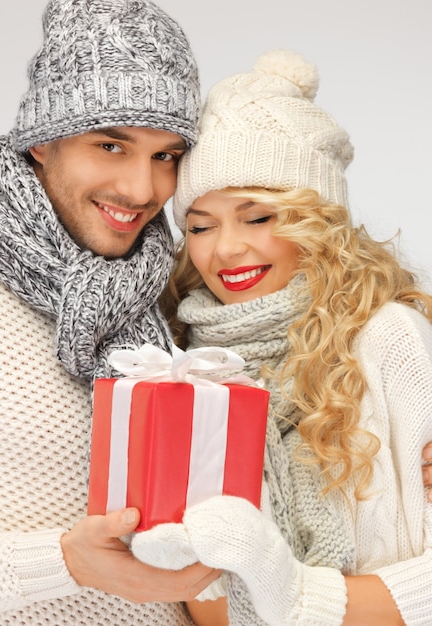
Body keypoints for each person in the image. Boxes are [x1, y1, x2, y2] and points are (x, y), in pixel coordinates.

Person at [131, 49, 432, 625]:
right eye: (199, 225)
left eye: (259, 216)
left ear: (315, 219)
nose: (224, 249)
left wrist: (295, 601)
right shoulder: (187, 366)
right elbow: (199, 596)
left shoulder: (387, 339)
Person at [0, 0, 222, 623]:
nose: (142, 191)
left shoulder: (171, 283)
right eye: (111, 144)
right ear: (41, 143)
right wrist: (67, 561)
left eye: (166, 156)